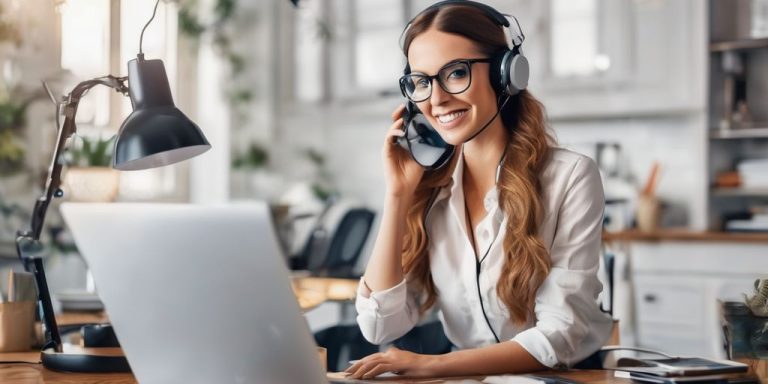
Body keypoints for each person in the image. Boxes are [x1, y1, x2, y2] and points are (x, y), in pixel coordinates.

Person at [345, 1, 613, 380]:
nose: (435, 99)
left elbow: (559, 336)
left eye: (455, 73)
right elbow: (380, 326)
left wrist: (433, 365)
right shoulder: (429, 187)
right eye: (421, 81)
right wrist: (397, 194)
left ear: (507, 74)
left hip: (563, 378)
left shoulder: (569, 177)